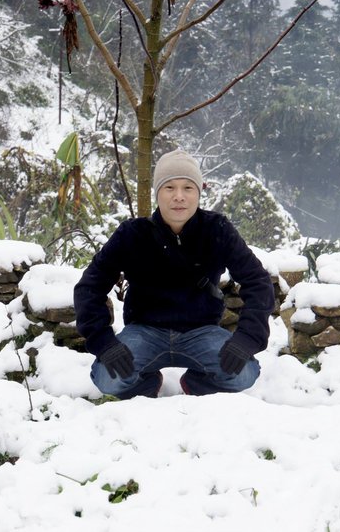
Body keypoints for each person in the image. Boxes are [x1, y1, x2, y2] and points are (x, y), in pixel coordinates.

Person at [73, 149, 275, 399]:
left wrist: (246, 340)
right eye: (169, 187)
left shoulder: (217, 229)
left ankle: (197, 384)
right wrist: (105, 343)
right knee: (108, 378)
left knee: (243, 373)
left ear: (198, 192)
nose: (179, 197)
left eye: (187, 188)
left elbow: (258, 283)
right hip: (144, 333)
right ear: (158, 192)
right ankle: (146, 385)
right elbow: (89, 288)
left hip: (202, 333)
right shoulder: (132, 234)